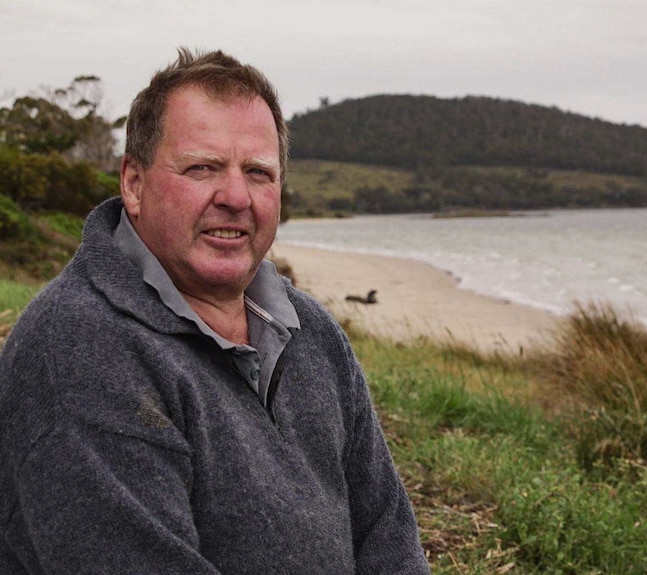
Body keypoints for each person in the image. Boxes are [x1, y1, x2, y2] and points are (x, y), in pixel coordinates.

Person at [0, 48, 430, 574]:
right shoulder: (79, 348)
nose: (235, 196)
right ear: (134, 184)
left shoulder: (311, 329)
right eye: (202, 168)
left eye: (258, 173)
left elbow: (387, 529)